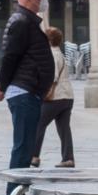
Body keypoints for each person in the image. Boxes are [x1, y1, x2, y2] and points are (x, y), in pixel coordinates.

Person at [0, 0, 55, 195]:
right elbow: (10, 58)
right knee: (22, 148)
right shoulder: (21, 21)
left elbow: (17, 59)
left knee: (26, 147)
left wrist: (4, 85)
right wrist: (2, 86)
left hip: (28, 91)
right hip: (24, 92)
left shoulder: (26, 21)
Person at [31, 26, 75, 168]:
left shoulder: (51, 55)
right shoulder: (60, 54)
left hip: (55, 97)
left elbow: (52, 77)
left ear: (47, 40)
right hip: (67, 96)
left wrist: (42, 93)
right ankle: (68, 158)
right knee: (64, 128)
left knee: (38, 124)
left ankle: (34, 156)